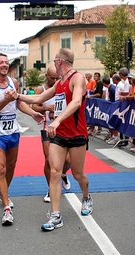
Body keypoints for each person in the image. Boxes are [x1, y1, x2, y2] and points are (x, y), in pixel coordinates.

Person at [19, 48, 92, 231]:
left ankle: (86, 196)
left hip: (76, 135)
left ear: (59, 61)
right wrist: (17, 95)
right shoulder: (59, 83)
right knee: (54, 172)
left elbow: (76, 103)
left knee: (77, 175)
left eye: (54, 61)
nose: (53, 63)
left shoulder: (77, 78)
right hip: (59, 136)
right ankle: (55, 216)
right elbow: (39, 98)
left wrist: (57, 120)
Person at [0, 53, 44, 226]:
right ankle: (7, 210)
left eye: (6, 62)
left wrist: (33, 114)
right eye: (0, 62)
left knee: (10, 167)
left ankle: (4, 194)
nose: (4, 65)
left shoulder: (14, 82)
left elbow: (18, 103)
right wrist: (5, 99)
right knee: (0, 168)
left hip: (13, 132)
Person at [31, 65, 71, 203]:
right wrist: (47, 108)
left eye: (57, 78)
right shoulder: (40, 90)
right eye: (52, 78)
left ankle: (64, 174)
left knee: (67, 160)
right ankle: (50, 188)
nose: (55, 80)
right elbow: (34, 106)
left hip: (63, 126)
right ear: (46, 76)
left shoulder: (63, 86)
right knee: (49, 159)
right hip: (47, 126)